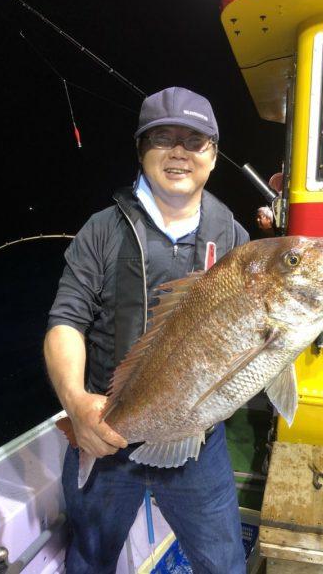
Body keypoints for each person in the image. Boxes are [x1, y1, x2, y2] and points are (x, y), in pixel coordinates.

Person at [44, 86, 250, 574]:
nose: (179, 151)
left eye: (195, 140)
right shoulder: (102, 230)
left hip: (197, 443)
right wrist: (76, 402)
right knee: (90, 560)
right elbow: (66, 319)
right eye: (163, 137)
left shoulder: (234, 240)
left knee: (224, 563)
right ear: (141, 150)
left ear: (213, 155)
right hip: (106, 433)